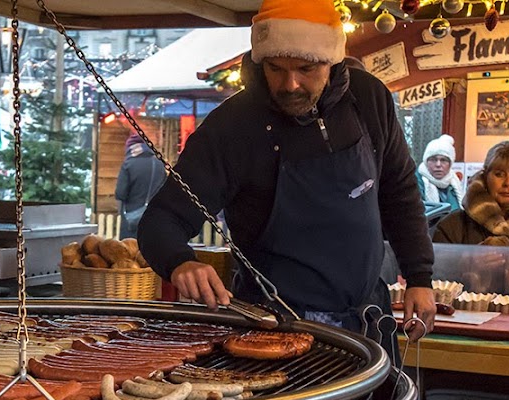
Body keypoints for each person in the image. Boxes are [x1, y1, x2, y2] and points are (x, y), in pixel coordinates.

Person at [138, 0, 436, 341]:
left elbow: (398, 191)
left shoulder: (369, 100)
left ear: (331, 60)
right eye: (276, 68)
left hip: (366, 321)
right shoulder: (232, 128)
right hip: (274, 327)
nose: (290, 84)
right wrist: (180, 261)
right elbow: (160, 221)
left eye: (306, 69)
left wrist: (419, 277)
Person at [432, 140, 509, 295]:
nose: (508, 182)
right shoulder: (451, 226)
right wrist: (468, 266)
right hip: (466, 318)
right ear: (486, 176)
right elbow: (433, 284)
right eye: (499, 174)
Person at [115, 132, 164, 239]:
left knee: (129, 251)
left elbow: (120, 193)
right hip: (156, 217)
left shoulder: (128, 164)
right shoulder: (159, 164)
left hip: (132, 220)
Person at [417, 134, 463, 212]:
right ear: (426, 162)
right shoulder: (415, 183)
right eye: (433, 159)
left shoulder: (454, 183)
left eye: (443, 160)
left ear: (450, 164)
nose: (438, 164)